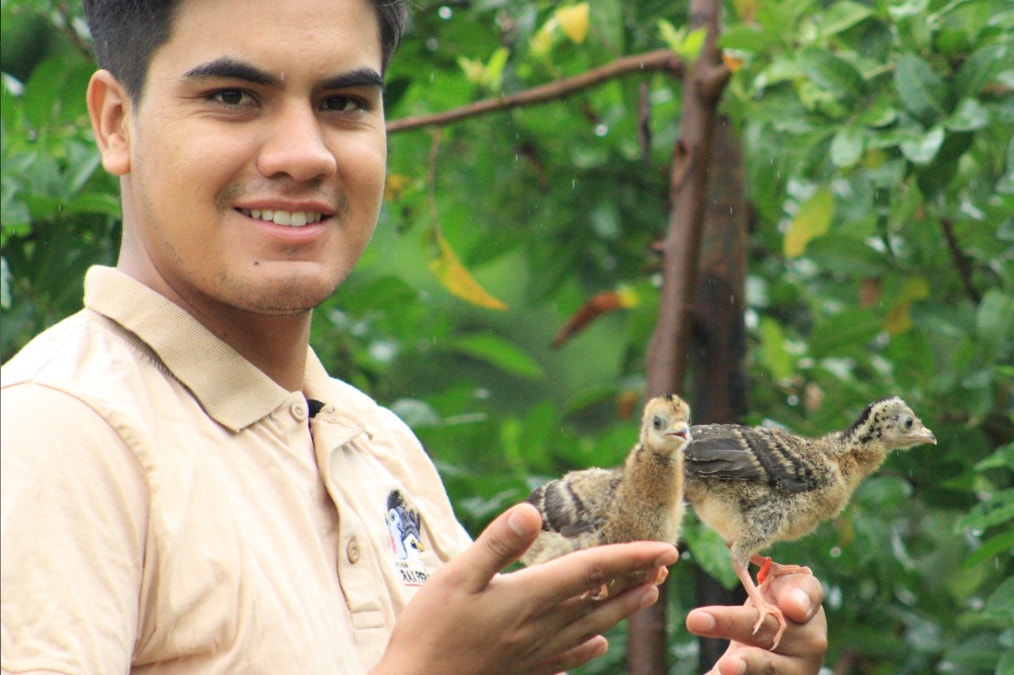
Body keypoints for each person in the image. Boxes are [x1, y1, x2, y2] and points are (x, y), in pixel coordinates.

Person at [0, 0, 828, 673]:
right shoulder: (58, 435)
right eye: (233, 97)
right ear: (116, 123)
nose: (304, 153)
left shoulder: (377, 445)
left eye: (344, 103)